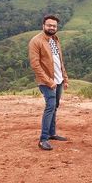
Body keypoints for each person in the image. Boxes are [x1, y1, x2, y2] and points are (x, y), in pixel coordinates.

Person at [28, 15, 69, 150]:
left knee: (55, 105)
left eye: (54, 26)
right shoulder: (36, 41)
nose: (52, 27)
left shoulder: (55, 39)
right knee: (50, 106)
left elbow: (59, 61)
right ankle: (43, 139)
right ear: (43, 25)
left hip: (58, 80)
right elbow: (35, 65)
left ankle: (52, 133)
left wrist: (64, 78)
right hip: (46, 81)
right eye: (49, 25)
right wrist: (48, 81)